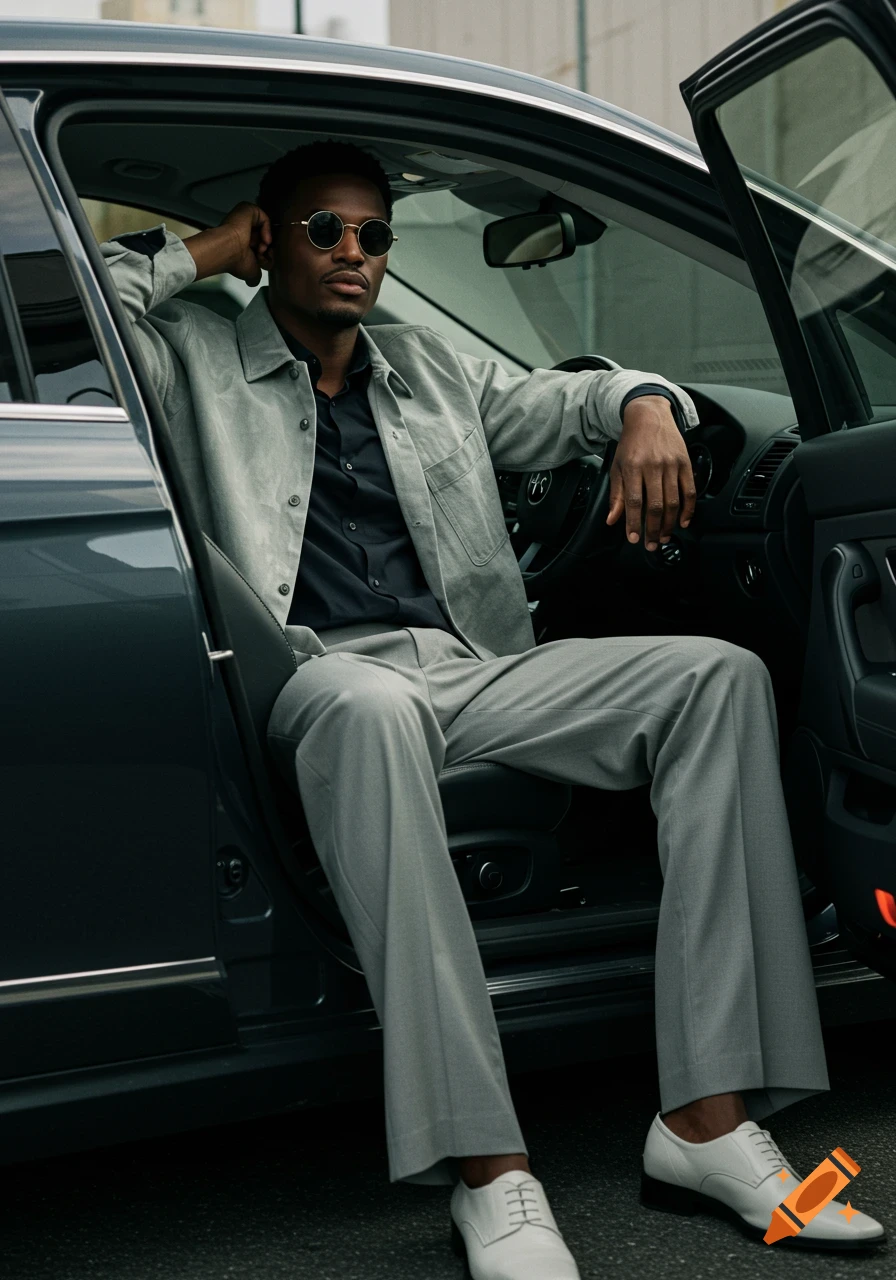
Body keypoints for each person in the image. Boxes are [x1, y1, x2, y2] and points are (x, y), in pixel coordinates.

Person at [102, 140, 885, 1277]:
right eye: (324, 229)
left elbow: (556, 401)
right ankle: (491, 1168)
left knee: (716, 676)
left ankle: (704, 1126)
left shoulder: (428, 367)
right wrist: (210, 249)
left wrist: (647, 404)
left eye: (374, 235)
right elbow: (96, 305)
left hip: (468, 665)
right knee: (369, 711)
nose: (356, 254)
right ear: (271, 241)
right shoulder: (194, 354)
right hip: (321, 670)